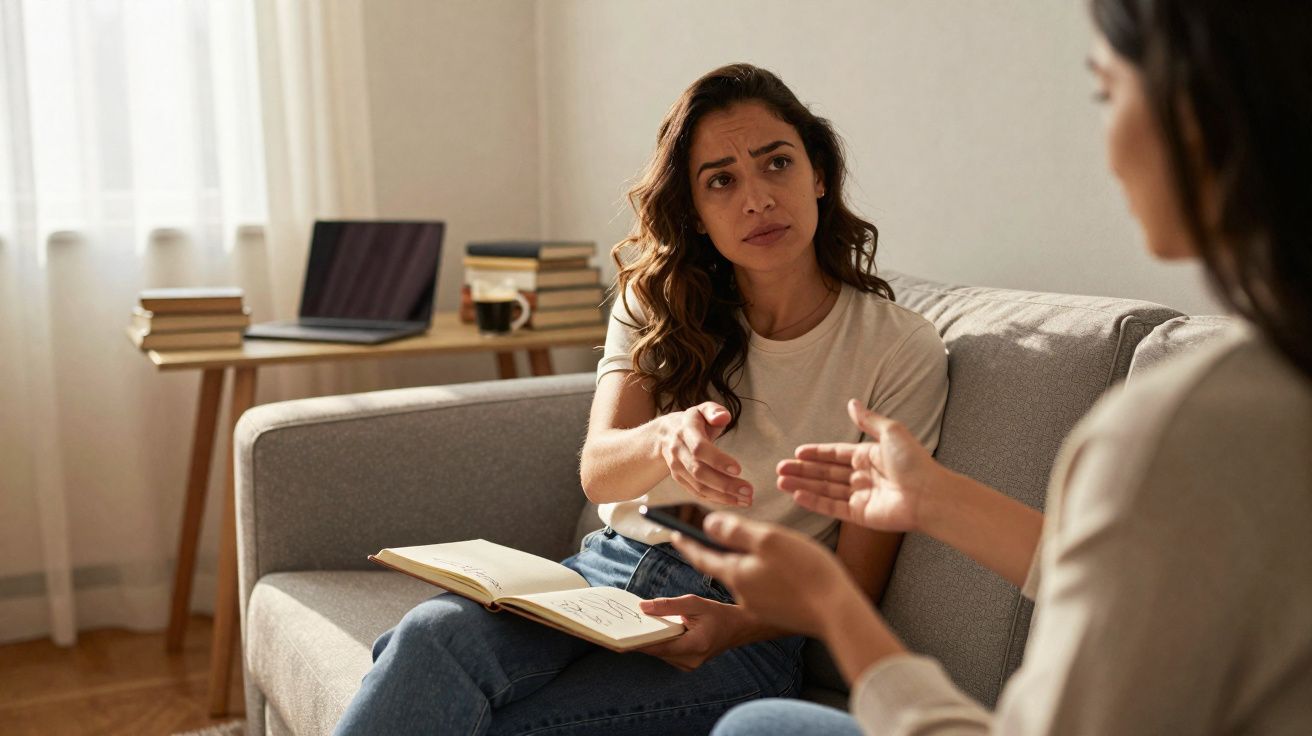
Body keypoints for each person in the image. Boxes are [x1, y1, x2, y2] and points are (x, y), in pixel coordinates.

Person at [674, 1, 1312, 734]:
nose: (1105, 149)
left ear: (1198, 117)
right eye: (720, 180)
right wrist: (936, 498)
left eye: (1108, 93)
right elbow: (1172, 589)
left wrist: (834, 607)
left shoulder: (1175, 427)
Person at [331, 63, 950, 735]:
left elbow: (855, 585)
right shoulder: (656, 302)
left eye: (777, 164)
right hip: (602, 575)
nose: (757, 198)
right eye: (722, 180)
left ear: (819, 175)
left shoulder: (899, 348)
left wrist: (737, 625)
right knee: (427, 636)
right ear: (696, 213)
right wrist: (664, 438)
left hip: (743, 629)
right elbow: (599, 471)